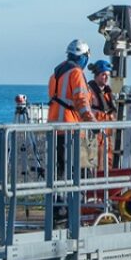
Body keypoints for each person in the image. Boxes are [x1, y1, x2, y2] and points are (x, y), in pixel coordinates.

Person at [48, 40, 94, 183]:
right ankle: (82, 197)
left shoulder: (56, 74)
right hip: (72, 128)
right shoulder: (76, 73)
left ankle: (57, 197)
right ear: (83, 57)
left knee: (60, 171)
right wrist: (92, 122)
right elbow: (81, 101)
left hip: (55, 128)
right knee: (82, 171)